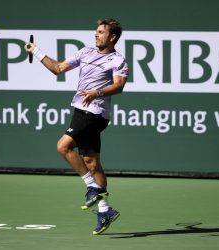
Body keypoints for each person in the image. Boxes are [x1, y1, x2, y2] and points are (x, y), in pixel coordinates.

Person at [25, 18, 128, 235]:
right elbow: (58, 68)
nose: (96, 35)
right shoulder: (85, 53)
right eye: (96, 31)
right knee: (91, 162)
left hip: (95, 114)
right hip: (80, 111)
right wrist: (36, 51)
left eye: (101, 32)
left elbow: (119, 86)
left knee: (63, 146)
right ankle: (105, 209)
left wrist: (97, 92)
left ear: (112, 37)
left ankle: (92, 187)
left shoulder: (117, 60)